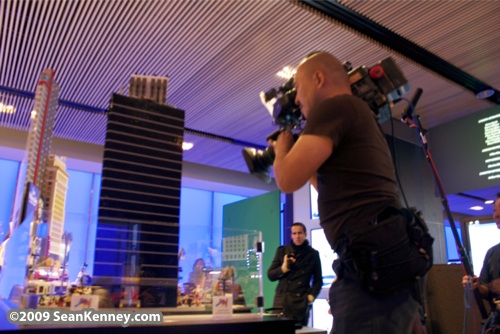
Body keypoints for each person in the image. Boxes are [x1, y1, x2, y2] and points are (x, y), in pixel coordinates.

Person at [269, 51, 421, 333]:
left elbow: (287, 180)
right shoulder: (357, 113)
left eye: (299, 90)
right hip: (385, 258)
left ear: (318, 79)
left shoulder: (334, 107)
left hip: (371, 261)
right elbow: (328, 184)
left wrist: (281, 151)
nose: (297, 100)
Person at [267, 222, 322, 327]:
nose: (297, 236)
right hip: (281, 303)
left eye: (300, 233)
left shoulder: (313, 254)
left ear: (305, 234)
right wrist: (283, 268)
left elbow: (318, 280)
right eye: (294, 233)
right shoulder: (282, 251)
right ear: (291, 235)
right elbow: (270, 275)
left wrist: (312, 296)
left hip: (300, 303)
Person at [462, 196, 500, 333]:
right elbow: (486, 291)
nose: (496, 215)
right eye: (495, 210)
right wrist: (476, 286)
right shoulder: (492, 253)